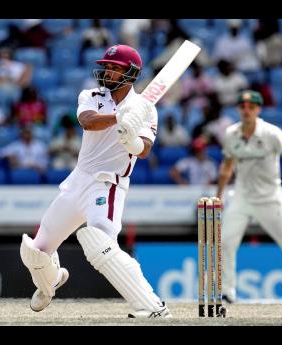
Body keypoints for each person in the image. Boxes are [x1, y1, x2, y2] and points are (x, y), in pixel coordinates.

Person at [19, 44, 171, 318]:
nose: (108, 72)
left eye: (115, 68)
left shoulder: (145, 109)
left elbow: (145, 150)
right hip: (77, 180)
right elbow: (88, 121)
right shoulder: (90, 95)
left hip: (107, 183)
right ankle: (50, 282)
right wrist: (118, 118)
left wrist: (131, 139)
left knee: (101, 245)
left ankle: (152, 307)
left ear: (131, 73)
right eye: (107, 67)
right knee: (34, 251)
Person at [216, 90, 282, 304]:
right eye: (243, 107)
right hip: (242, 197)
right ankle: (228, 292)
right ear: (238, 109)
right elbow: (226, 168)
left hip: (270, 198)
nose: (246, 111)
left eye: (251, 107)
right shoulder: (230, 134)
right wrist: (219, 196)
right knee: (226, 241)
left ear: (258, 110)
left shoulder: (272, 133)